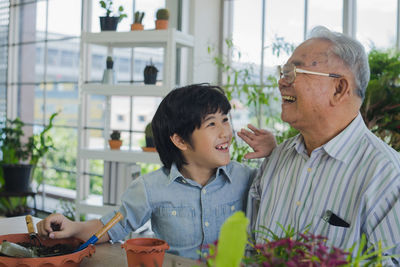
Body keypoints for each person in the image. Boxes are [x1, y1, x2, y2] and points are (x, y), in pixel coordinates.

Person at [36, 83, 275, 260]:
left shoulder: (247, 178)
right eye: (212, 124)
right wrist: (73, 227)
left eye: (225, 120)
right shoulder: (150, 188)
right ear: (180, 140)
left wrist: (274, 152)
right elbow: (113, 226)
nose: (226, 132)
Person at [239, 26, 400, 264]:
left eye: (293, 71)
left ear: (339, 88)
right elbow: (250, 249)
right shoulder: (277, 159)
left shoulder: (387, 175)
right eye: (283, 72)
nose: (282, 82)